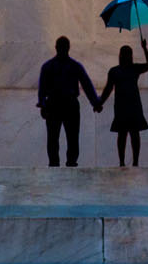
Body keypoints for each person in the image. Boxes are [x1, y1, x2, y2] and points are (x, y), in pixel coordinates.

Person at [35, 35, 102, 167]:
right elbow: (87, 85)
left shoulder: (49, 66)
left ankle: (60, 163)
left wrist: (43, 104)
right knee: (65, 138)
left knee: (61, 138)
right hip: (62, 105)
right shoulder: (73, 66)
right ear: (67, 48)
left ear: (57, 47)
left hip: (59, 105)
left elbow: (42, 89)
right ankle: (67, 163)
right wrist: (95, 103)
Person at [95, 35, 148, 167]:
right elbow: (108, 89)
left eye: (127, 54)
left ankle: (131, 162)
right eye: (125, 54)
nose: (126, 56)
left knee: (130, 133)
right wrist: (100, 103)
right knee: (127, 134)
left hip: (130, 105)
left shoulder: (122, 70)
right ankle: (126, 162)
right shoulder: (122, 70)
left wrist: (145, 48)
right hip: (126, 105)